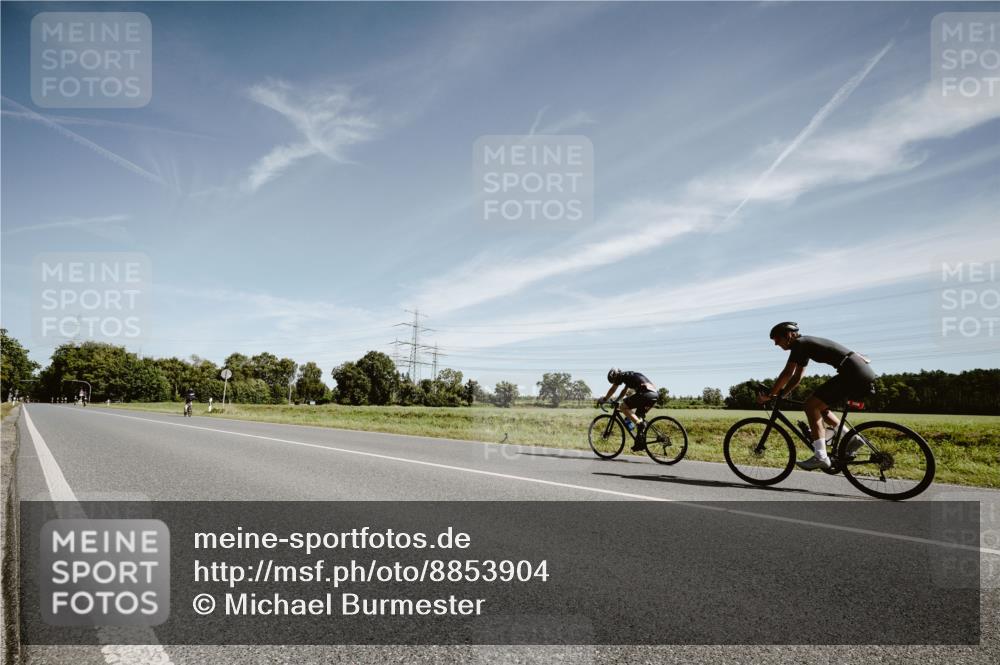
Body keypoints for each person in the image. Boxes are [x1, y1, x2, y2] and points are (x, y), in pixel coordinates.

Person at [758, 322, 876, 470]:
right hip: (857, 372)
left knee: (810, 406)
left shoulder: (800, 344)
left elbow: (787, 373)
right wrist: (780, 395)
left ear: (788, 336)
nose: (775, 344)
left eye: (776, 339)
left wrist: (770, 394)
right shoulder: (804, 345)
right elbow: (797, 378)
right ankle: (851, 439)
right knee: (820, 407)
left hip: (852, 374)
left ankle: (821, 456)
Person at [599, 368, 659, 451]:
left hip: (645, 394)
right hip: (654, 395)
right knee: (637, 417)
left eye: (614, 380)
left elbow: (613, 389)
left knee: (623, 407)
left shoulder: (621, 376)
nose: (615, 382)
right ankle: (639, 444)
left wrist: (605, 399)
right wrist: (616, 400)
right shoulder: (629, 376)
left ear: (615, 375)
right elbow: (624, 392)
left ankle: (640, 424)